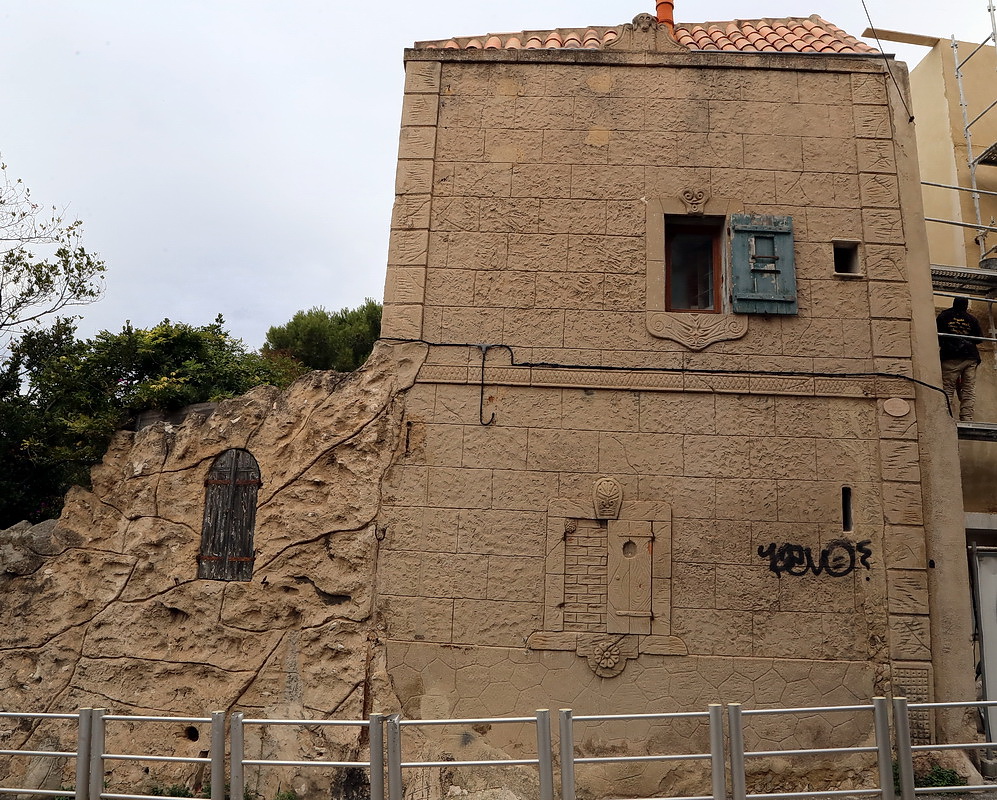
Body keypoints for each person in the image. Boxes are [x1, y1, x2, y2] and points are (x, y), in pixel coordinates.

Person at [937, 296, 983, 421]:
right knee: (968, 388)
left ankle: (946, 418)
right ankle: (967, 418)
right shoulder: (972, 319)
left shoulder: (943, 316)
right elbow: (979, 339)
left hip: (950, 356)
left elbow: (937, 335)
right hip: (970, 356)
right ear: (966, 305)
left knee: (948, 388)